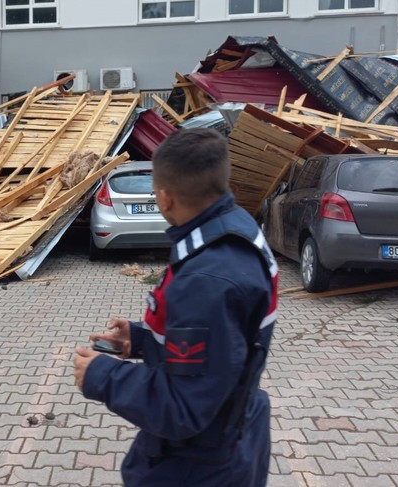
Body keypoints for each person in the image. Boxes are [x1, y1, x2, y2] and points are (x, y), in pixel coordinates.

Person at [73, 128, 279, 486]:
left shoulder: (207, 280)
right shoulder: (234, 227)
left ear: (164, 198)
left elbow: (183, 407)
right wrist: (139, 338)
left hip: (200, 464)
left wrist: (101, 376)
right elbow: (219, 346)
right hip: (230, 433)